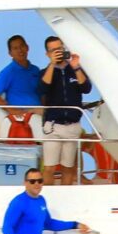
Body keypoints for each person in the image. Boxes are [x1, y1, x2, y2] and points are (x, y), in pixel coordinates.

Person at [37, 35, 93, 184]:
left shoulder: (75, 70)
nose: (58, 52)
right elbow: (42, 88)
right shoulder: (46, 71)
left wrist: (76, 66)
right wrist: (52, 65)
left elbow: (86, 88)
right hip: (53, 126)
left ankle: (65, 197)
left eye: (60, 48)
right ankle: (48, 197)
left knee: (68, 167)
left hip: (72, 126)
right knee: (49, 167)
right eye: (53, 50)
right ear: (48, 54)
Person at [0, 34, 45, 141]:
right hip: (25, 112)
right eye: (15, 48)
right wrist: (12, 110)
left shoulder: (35, 70)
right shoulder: (8, 72)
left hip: (39, 109)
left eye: (22, 46)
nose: (20, 50)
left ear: (27, 47)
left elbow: (41, 93)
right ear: (10, 53)